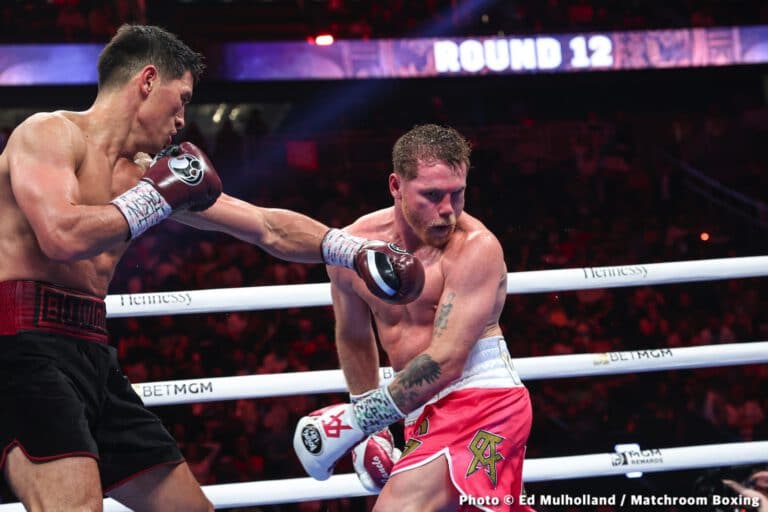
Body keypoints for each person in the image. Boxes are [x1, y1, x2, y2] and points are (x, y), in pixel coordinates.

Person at [0, 24, 423, 512]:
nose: (182, 119)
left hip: (91, 353)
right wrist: (153, 198)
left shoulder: (146, 174)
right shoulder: (49, 133)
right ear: (147, 80)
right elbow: (61, 235)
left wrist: (349, 250)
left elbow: (265, 226)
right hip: (22, 349)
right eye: (180, 100)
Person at [293, 124, 533, 511]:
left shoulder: (476, 247)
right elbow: (354, 337)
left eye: (458, 195)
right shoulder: (354, 249)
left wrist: (360, 420)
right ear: (396, 186)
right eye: (433, 195)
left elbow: (447, 360)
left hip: (480, 397)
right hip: (414, 408)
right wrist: (371, 424)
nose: (448, 211)